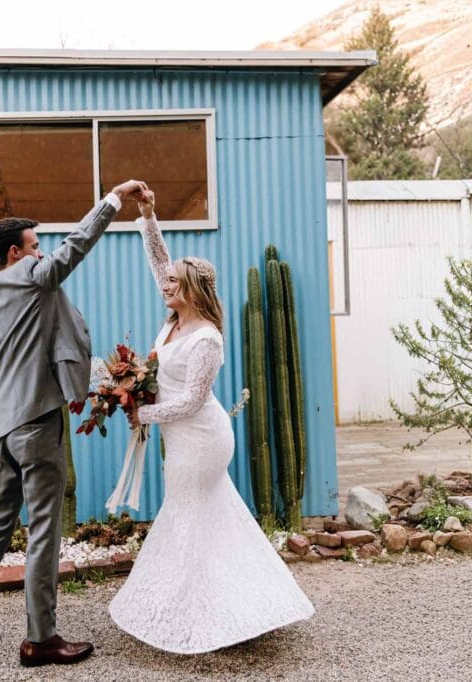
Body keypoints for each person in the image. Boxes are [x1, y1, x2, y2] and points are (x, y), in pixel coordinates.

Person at [0, 179, 149, 667]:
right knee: (43, 531)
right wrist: (112, 200)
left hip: (4, 429)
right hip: (37, 422)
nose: (43, 253)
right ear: (15, 253)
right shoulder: (33, 277)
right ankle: (41, 638)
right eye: (35, 247)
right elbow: (76, 247)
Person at [110, 190, 315, 654]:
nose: (166, 286)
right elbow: (160, 260)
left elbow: (189, 402)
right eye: (165, 281)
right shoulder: (172, 322)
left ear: (194, 290)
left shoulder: (207, 339)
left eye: (175, 283)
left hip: (202, 437)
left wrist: (142, 411)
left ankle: (202, 609)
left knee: (187, 515)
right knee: (210, 516)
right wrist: (147, 215)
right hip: (180, 437)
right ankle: (252, 598)